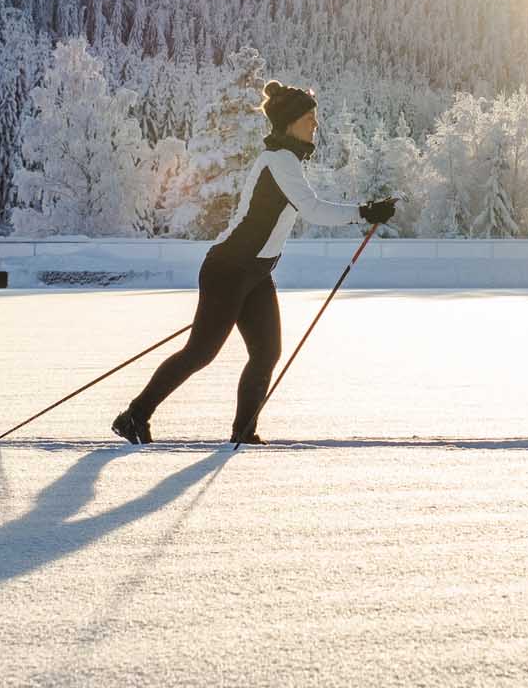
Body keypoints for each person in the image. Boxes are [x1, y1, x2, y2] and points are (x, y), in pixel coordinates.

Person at [113, 80, 398, 446]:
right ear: (290, 122)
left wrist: (367, 211)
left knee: (266, 353)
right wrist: (365, 212)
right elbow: (312, 209)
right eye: (309, 118)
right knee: (200, 353)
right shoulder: (278, 161)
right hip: (229, 269)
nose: (315, 125)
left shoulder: (287, 160)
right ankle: (134, 416)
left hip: (256, 272)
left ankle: (243, 432)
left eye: (316, 118)